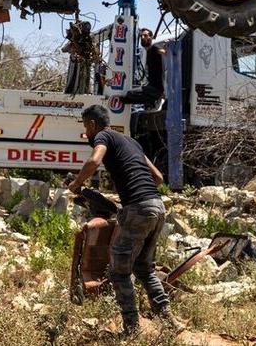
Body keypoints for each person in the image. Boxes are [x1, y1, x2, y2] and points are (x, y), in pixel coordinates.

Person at [67, 105, 175, 334]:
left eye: (86, 127)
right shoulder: (131, 142)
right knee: (144, 268)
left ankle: (132, 328)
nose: (86, 132)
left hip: (139, 209)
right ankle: (168, 321)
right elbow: (157, 177)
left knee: (119, 272)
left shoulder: (103, 136)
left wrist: (76, 184)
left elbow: (94, 162)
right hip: (157, 206)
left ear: (93, 124)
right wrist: (133, 191)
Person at [122, 28, 165, 107]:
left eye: (145, 35)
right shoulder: (147, 52)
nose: (142, 37)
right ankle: (150, 102)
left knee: (129, 94)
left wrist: (167, 47)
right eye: (141, 36)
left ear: (151, 37)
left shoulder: (154, 48)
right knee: (126, 99)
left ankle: (153, 100)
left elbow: (164, 52)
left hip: (156, 90)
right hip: (151, 88)